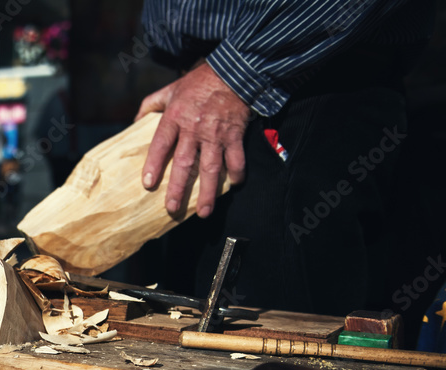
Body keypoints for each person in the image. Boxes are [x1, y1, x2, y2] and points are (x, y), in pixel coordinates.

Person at [135, 1, 435, 316]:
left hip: (298, 79)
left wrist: (232, 75)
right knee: (188, 335)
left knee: (273, 345)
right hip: (213, 84)